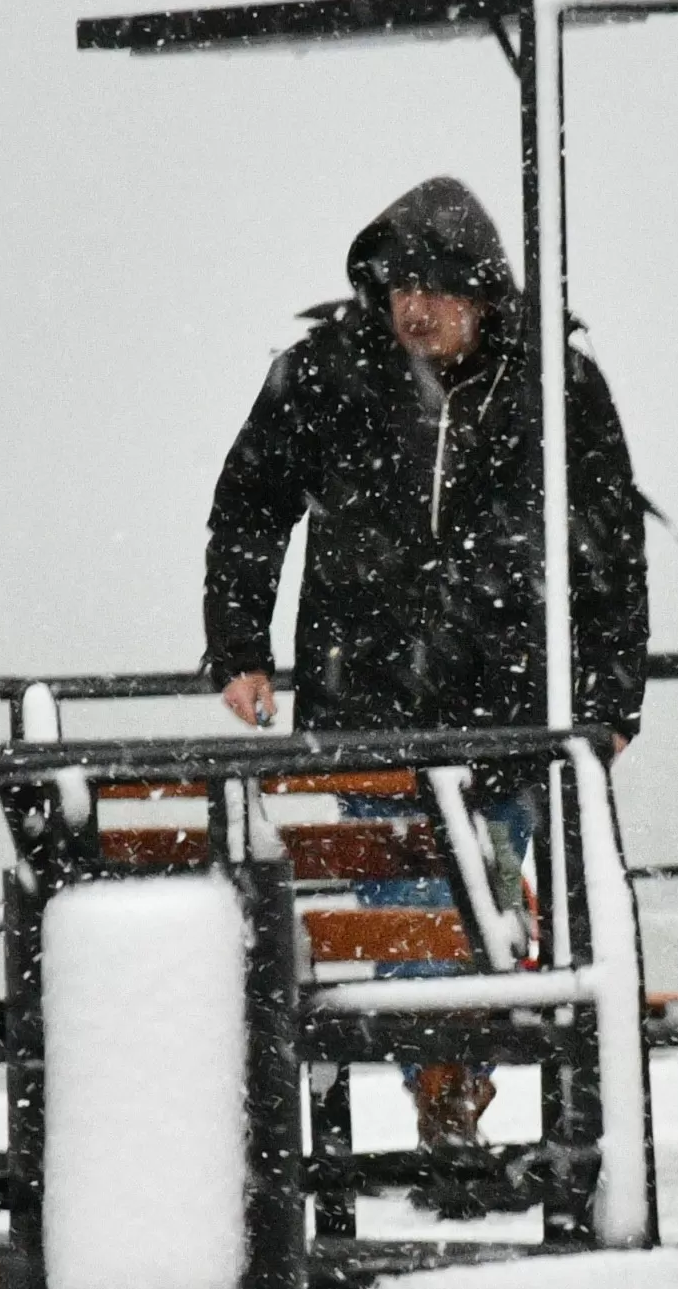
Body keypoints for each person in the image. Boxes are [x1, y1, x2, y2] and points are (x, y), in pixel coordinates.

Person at [203, 175, 651, 1173]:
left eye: (441, 288)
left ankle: (450, 1104)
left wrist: (613, 698)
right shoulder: (327, 374)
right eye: (401, 284)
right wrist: (237, 646)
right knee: (420, 914)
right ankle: (449, 1113)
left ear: (487, 293)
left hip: (506, 711)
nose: (417, 307)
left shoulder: (554, 386)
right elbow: (249, 503)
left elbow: (611, 543)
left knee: (472, 912)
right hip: (365, 709)